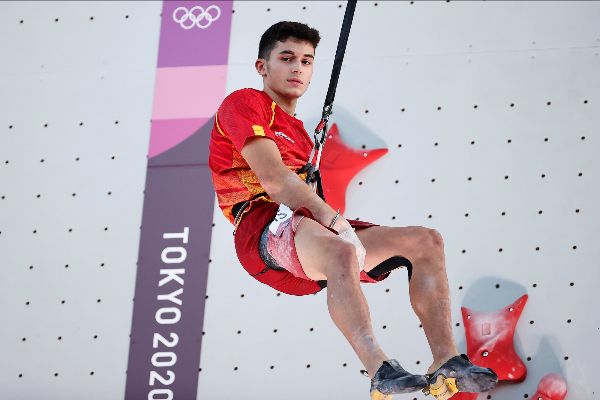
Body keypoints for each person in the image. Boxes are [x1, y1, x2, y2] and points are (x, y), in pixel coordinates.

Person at [208, 21, 498, 400]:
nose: (298, 68)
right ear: (262, 67)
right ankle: (380, 368)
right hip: (261, 226)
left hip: (306, 227)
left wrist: (327, 218)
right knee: (341, 249)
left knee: (425, 242)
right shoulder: (245, 103)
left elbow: (302, 194)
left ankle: (446, 362)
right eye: (287, 58)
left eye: (307, 61)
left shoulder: (298, 129)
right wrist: (333, 220)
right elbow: (276, 182)